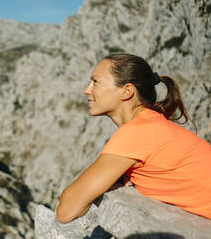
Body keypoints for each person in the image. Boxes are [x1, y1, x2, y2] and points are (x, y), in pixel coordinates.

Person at [56, 53, 211, 223]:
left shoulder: (137, 132)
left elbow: (67, 210)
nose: (87, 90)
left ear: (126, 91)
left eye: (96, 82)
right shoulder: (151, 124)